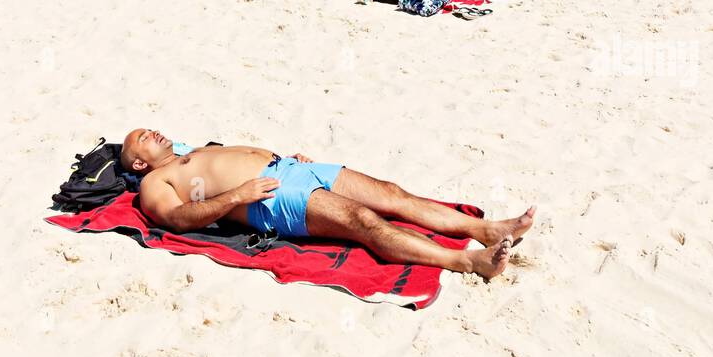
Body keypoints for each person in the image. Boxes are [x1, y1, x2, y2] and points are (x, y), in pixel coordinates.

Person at [121, 129, 536, 282]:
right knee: (362, 221)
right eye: (143, 137)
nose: (153, 132)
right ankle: (468, 262)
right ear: (139, 162)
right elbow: (175, 219)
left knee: (392, 193)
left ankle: (487, 230)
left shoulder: (189, 150)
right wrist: (236, 197)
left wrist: (286, 156)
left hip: (290, 168)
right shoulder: (156, 182)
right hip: (270, 197)